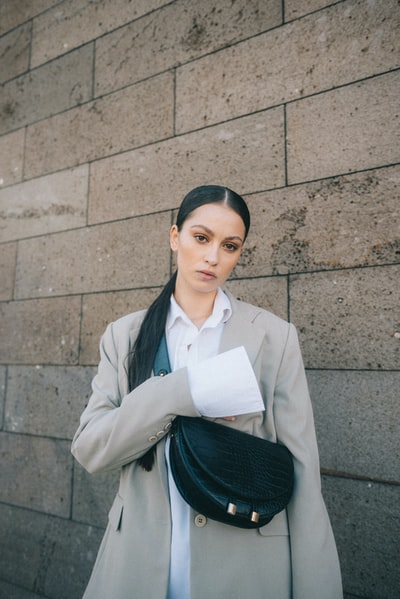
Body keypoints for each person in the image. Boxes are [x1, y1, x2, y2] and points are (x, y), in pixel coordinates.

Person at [71, 185, 342, 599]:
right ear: (175, 237)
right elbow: (90, 449)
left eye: (229, 245)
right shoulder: (124, 337)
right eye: (202, 238)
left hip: (247, 569)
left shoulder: (274, 337)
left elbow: (302, 470)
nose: (213, 256)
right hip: (137, 568)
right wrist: (183, 391)